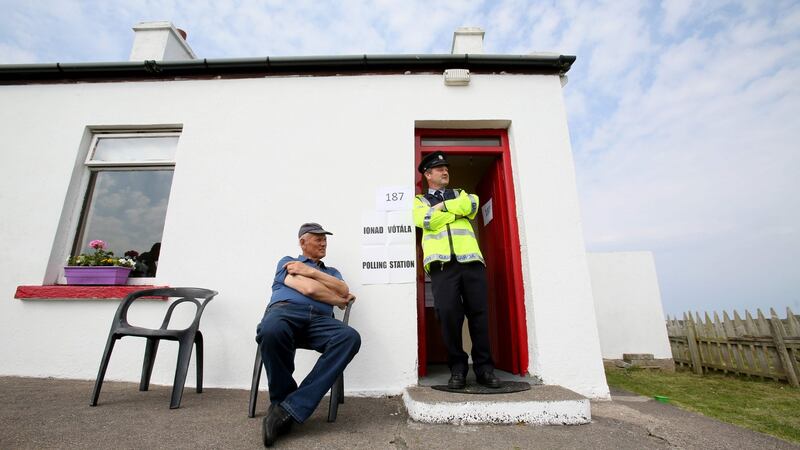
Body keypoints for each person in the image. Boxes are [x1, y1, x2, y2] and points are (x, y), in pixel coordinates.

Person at [255, 222, 360, 447]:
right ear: (303, 242)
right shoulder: (286, 262)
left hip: (320, 322)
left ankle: (288, 408)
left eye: (325, 239)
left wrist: (310, 272)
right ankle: (283, 401)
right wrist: (336, 298)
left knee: (349, 337)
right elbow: (310, 290)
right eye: (318, 238)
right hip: (285, 312)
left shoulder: (331, 271)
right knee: (271, 330)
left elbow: (342, 288)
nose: (323, 242)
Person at [412, 151, 501, 390]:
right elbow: (426, 221)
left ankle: (485, 369)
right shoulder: (419, 201)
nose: (445, 171)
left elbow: (471, 204)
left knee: (479, 317)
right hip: (442, 267)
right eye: (439, 168)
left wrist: (441, 207)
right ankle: (458, 369)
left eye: (446, 168)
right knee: (450, 317)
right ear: (428, 174)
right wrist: (453, 211)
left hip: (471, 262)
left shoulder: (462, 193)